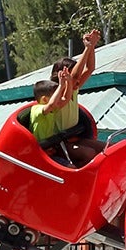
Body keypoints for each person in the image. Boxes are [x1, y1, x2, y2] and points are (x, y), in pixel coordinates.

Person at [29, 29, 103, 165]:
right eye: (74, 75)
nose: (78, 79)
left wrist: (92, 46)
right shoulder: (59, 92)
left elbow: (90, 68)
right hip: (59, 144)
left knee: (106, 149)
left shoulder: (73, 88)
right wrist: (86, 49)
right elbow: (74, 76)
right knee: (89, 154)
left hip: (74, 136)